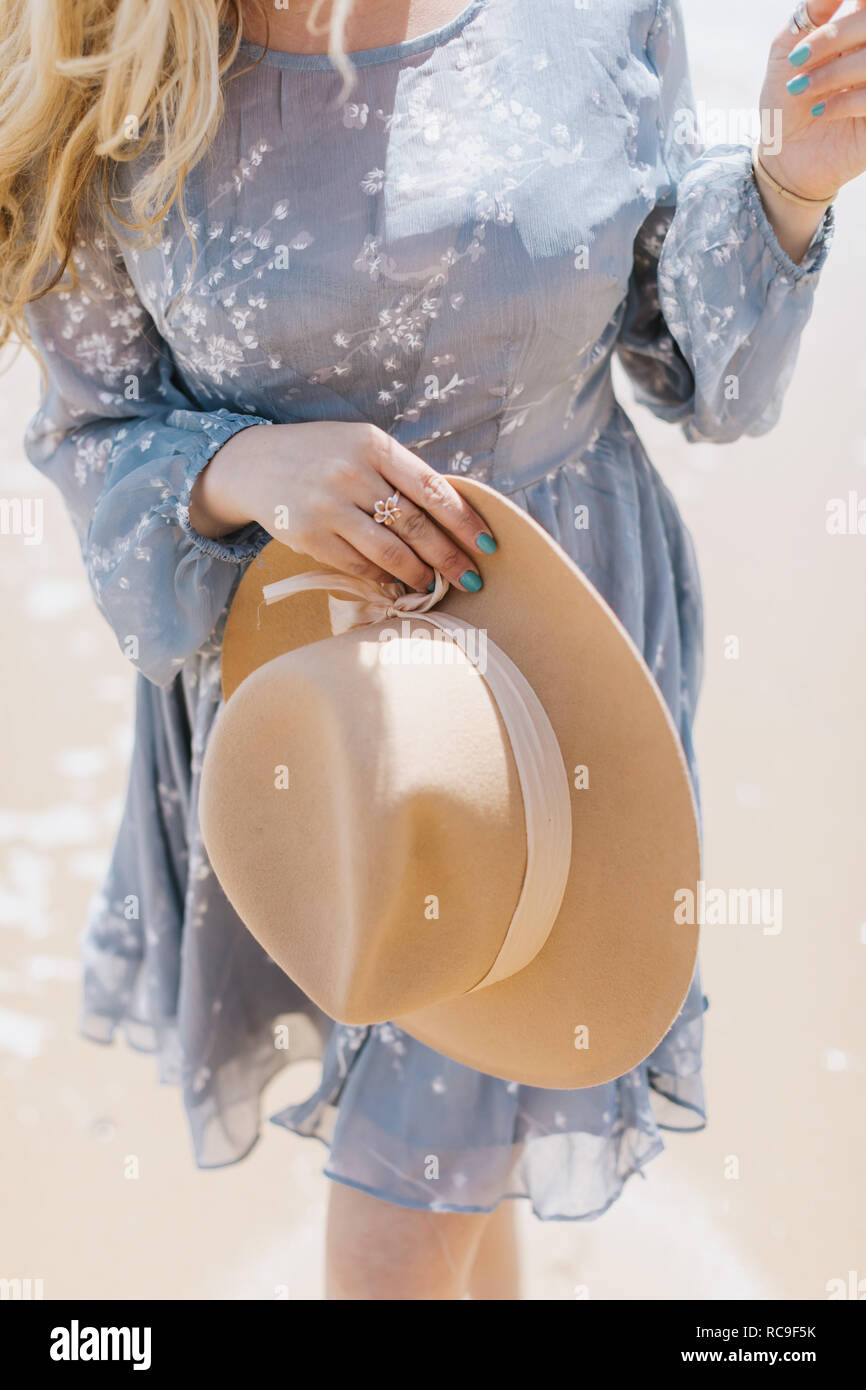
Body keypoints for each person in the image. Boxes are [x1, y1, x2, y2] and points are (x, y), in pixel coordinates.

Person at [4, 0, 864, 1299]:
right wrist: (244, 465)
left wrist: (784, 186)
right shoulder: (107, 57)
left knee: (402, 1216)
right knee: (451, 1105)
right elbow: (91, 432)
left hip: (548, 685)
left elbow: (688, 356)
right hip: (299, 705)